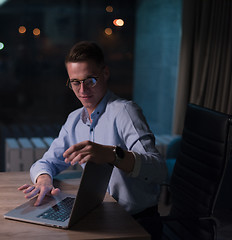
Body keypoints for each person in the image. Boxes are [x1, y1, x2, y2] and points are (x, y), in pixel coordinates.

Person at [18, 41, 167, 239]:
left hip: (136, 222)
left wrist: (112, 155)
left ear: (105, 73)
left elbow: (159, 169)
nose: (82, 90)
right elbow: (46, 162)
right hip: (102, 215)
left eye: (90, 80)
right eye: (75, 82)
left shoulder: (125, 112)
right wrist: (44, 179)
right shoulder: (74, 120)